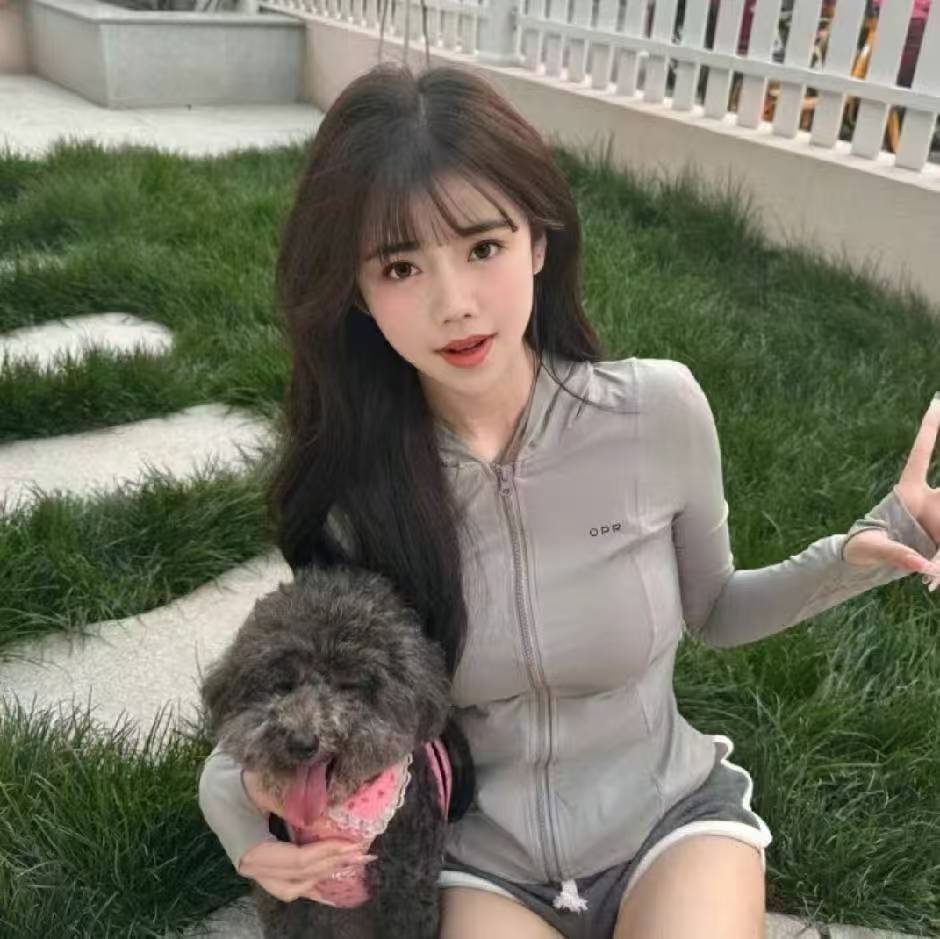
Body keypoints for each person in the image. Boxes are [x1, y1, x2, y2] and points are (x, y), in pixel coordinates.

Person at [197, 61, 940, 939]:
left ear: (538, 242)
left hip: (668, 820)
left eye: (483, 246)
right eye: (400, 266)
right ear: (356, 292)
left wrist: (867, 548)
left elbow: (716, 608)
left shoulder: (656, 411)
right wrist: (246, 830)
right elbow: (283, 710)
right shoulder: (356, 493)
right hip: (482, 856)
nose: (454, 303)